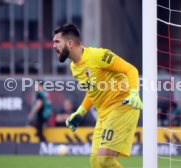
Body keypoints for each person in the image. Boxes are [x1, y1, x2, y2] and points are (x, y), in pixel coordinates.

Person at [53, 23, 143, 168]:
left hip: (122, 106)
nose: (53, 46)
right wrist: (80, 112)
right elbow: (92, 91)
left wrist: (134, 92)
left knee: (104, 159)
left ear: (69, 43)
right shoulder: (74, 67)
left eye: (57, 41)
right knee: (96, 163)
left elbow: (130, 69)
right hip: (103, 115)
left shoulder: (98, 55)